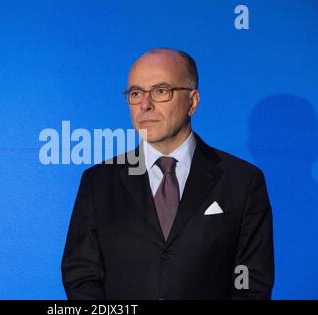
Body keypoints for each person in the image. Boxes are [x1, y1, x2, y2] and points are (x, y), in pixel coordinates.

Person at [61, 48, 274, 299]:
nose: (145, 105)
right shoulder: (98, 182)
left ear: (192, 102)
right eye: (136, 93)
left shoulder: (243, 181)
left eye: (161, 91)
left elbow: (251, 281)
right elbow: (82, 276)